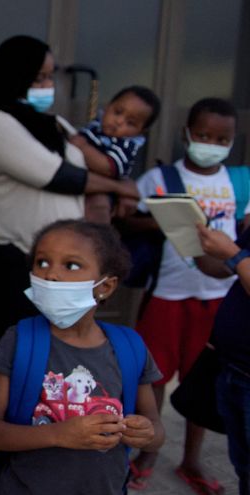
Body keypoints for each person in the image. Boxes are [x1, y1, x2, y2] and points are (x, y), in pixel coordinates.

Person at [0, 35, 141, 354]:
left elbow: (96, 166)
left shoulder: (54, 124)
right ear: (16, 73)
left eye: (50, 76)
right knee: (13, 354)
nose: (47, 84)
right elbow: (57, 175)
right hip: (16, 258)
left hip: (66, 262)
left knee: (55, 357)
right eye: (38, 76)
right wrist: (120, 187)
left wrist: (122, 188)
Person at [0, 219, 164, 494]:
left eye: (71, 265)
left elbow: (156, 431)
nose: (51, 275)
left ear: (106, 286)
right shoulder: (19, 340)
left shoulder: (130, 347)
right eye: (42, 262)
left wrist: (146, 433)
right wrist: (59, 434)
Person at [128, 98, 241, 494]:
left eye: (222, 138)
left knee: (202, 382)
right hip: (167, 292)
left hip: (219, 296)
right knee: (154, 375)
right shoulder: (160, 179)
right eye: (204, 135)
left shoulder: (240, 182)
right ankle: (148, 450)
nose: (211, 143)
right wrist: (160, 220)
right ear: (186, 134)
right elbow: (129, 214)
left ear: (232, 141)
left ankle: (191, 458)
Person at [196, 223, 250, 495]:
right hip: (233, 369)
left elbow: (237, 259)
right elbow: (224, 268)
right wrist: (193, 242)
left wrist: (231, 252)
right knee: (243, 468)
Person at [69, 86, 161, 222]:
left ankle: (98, 238)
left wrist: (82, 147)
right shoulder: (95, 126)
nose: (119, 121)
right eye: (117, 112)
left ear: (140, 131)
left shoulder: (126, 145)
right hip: (77, 181)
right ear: (107, 106)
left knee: (98, 206)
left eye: (130, 123)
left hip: (101, 190)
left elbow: (109, 167)